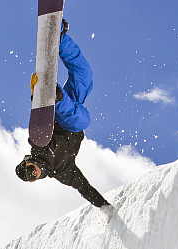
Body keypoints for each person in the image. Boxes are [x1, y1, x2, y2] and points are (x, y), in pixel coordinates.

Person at [16, 23, 113, 219]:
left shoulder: (38, 145)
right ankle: (60, 40)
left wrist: (37, 97)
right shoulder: (63, 172)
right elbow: (84, 188)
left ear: (29, 161)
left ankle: (57, 96)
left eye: (30, 170)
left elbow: (39, 120)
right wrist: (106, 208)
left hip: (65, 115)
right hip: (71, 110)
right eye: (33, 177)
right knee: (85, 75)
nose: (35, 173)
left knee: (82, 120)